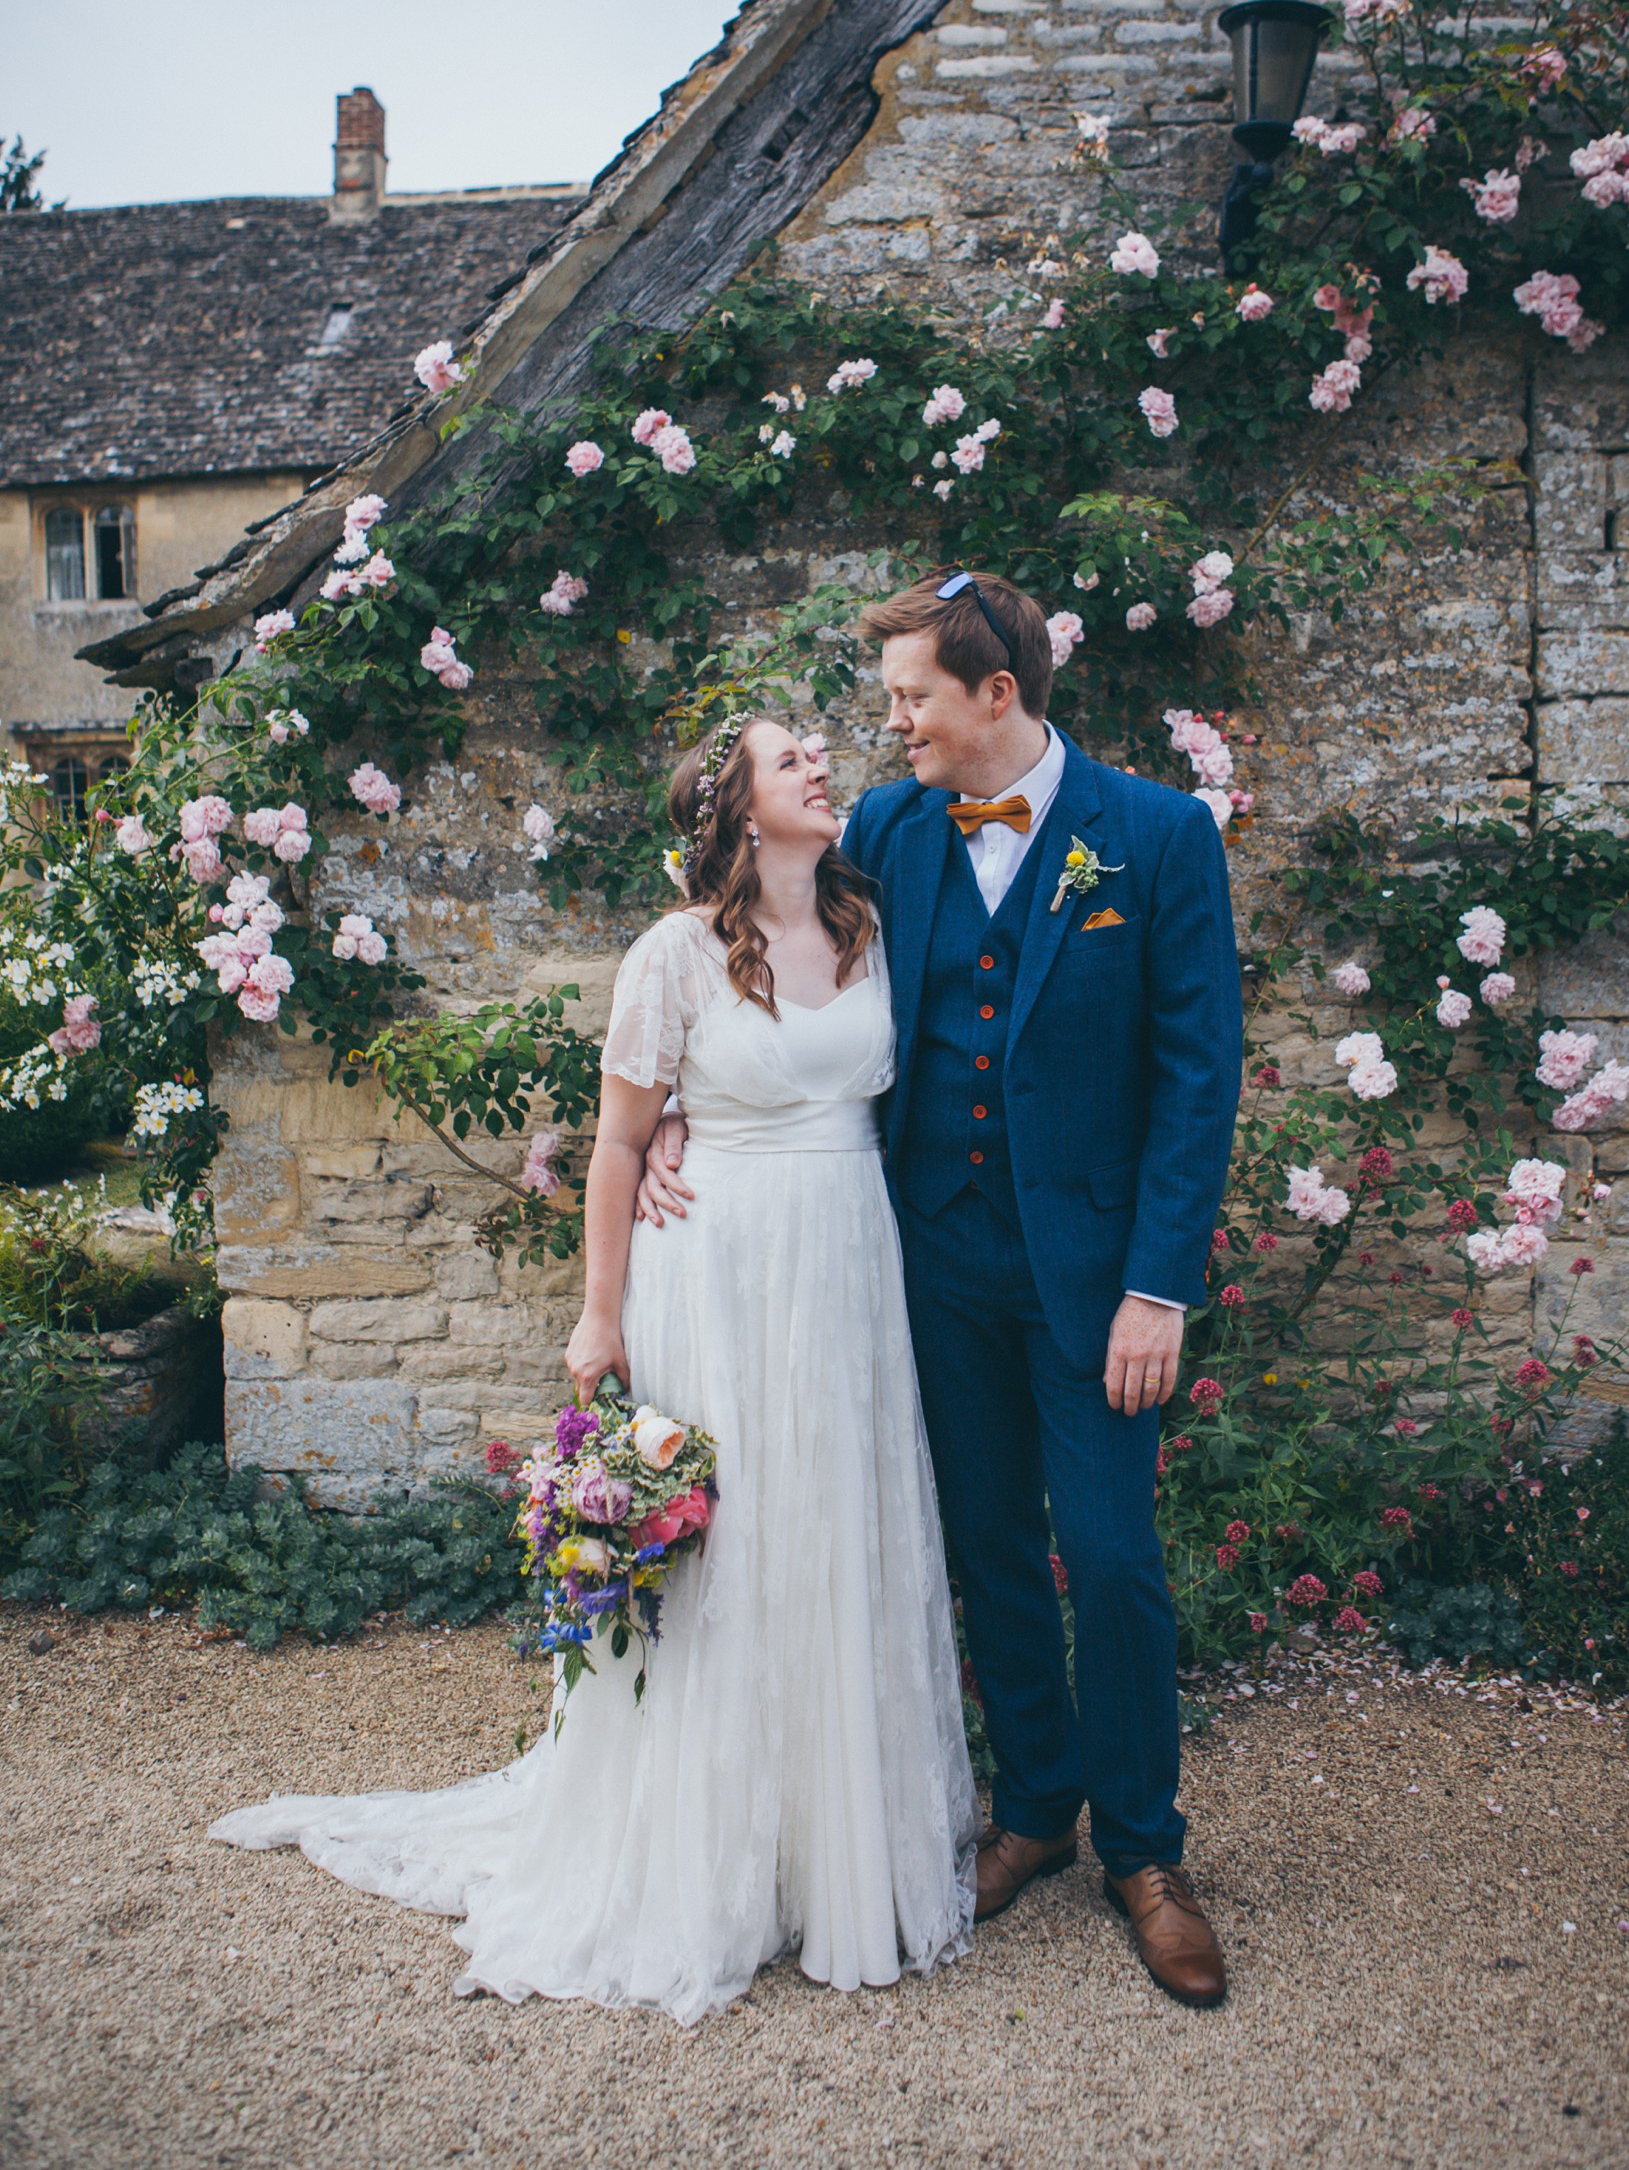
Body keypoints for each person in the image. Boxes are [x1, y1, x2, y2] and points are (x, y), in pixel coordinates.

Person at [210, 714, 979, 2025]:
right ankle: (711, 1859)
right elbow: (620, 1150)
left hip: (849, 1274)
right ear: (738, 813)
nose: (821, 766)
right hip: (719, 1278)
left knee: (834, 1544)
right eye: (792, 757)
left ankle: (833, 1853)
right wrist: (596, 1321)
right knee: (734, 1558)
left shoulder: (870, 927)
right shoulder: (671, 955)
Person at [641, 571, 1243, 2007]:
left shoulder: (1154, 836)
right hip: (928, 1263)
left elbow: (1197, 1074)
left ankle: (1146, 1852)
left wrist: (1160, 1284)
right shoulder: (893, 830)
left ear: (996, 694)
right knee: (983, 1543)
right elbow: (728, 919)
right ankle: (1036, 1804)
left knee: (1108, 1554)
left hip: (1099, 1282)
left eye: (912, 694)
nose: (889, 718)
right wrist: (673, 1108)